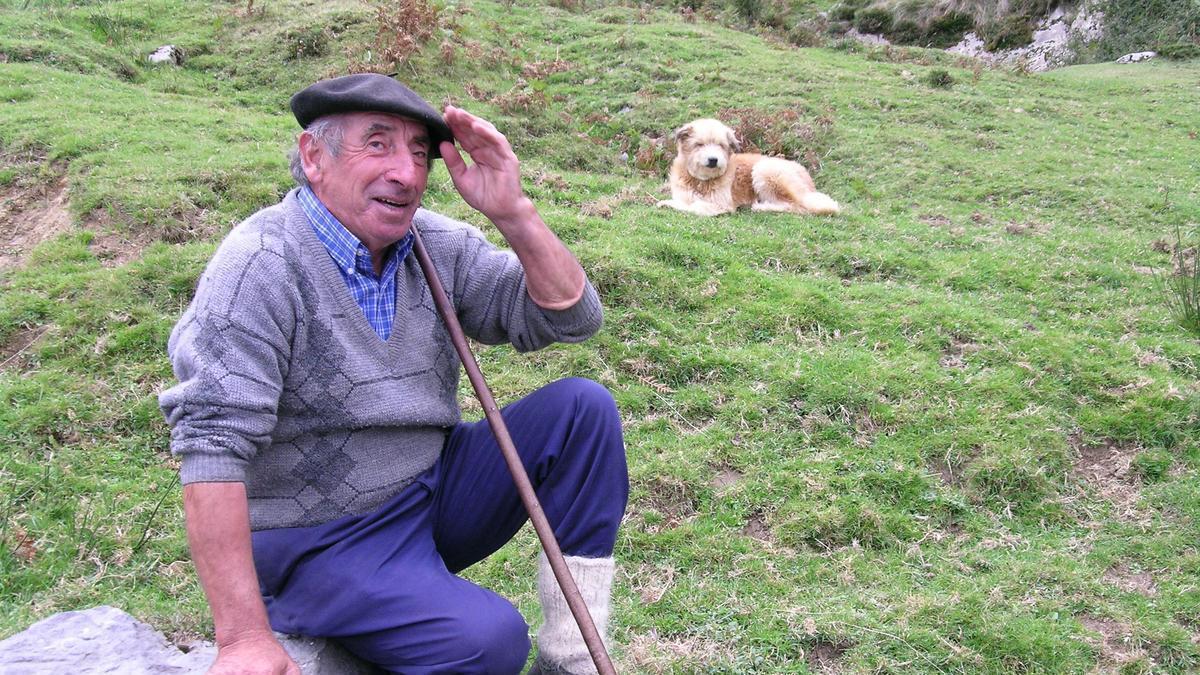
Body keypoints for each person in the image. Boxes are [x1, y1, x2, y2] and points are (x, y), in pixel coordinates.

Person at [159, 73, 629, 675]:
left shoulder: (434, 246)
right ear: (314, 156)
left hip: (426, 494)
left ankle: (570, 663)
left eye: (418, 153)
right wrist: (243, 639)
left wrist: (514, 211)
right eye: (377, 145)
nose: (406, 174)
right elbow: (211, 449)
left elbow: (571, 317)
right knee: (488, 641)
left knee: (581, 412)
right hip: (318, 538)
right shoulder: (261, 266)